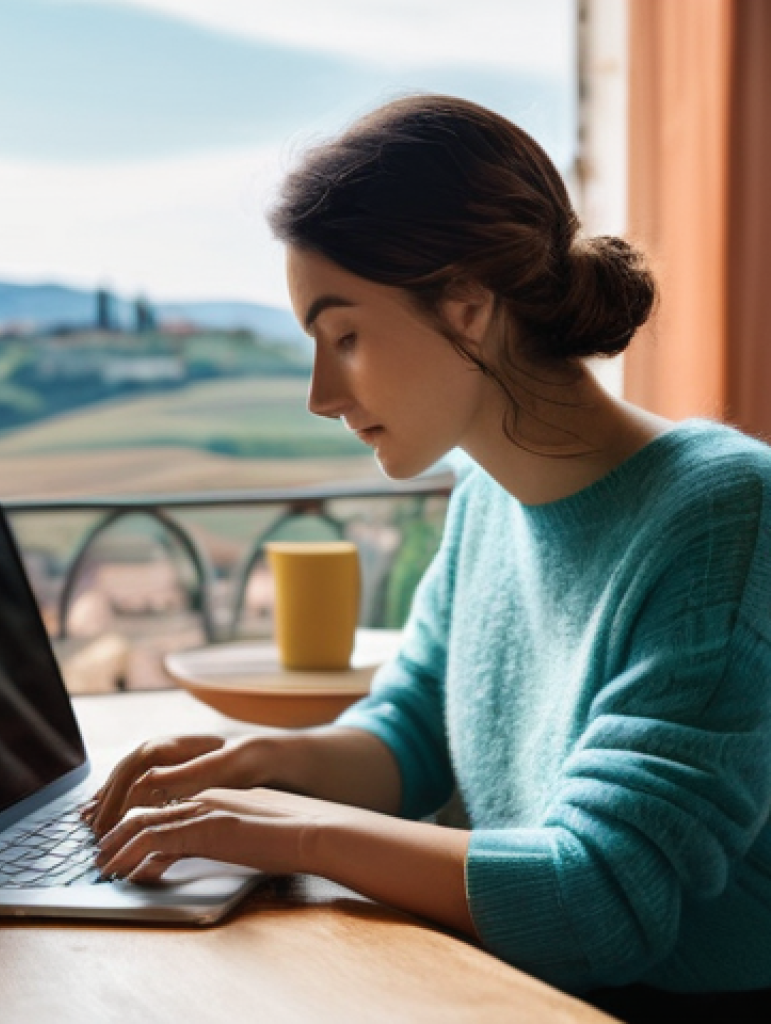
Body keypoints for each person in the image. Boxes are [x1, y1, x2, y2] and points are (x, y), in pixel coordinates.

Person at [81, 95, 771, 1020]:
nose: (323, 394)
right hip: (505, 987)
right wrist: (253, 767)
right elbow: (412, 732)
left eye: (347, 336)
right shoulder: (489, 495)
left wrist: (298, 832)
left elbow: (606, 901)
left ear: (468, 307)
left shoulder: (728, 517)